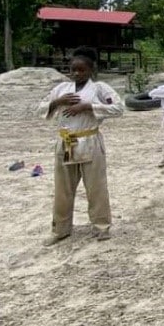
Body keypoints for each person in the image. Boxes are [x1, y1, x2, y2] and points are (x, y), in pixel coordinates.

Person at [38, 47, 124, 245]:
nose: (77, 74)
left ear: (91, 71)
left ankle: (101, 225)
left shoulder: (100, 89)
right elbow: (40, 109)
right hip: (67, 140)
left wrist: (89, 106)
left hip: (89, 139)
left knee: (96, 186)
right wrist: (57, 102)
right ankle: (60, 228)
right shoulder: (61, 90)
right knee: (63, 188)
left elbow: (118, 108)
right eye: (73, 70)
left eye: (81, 70)